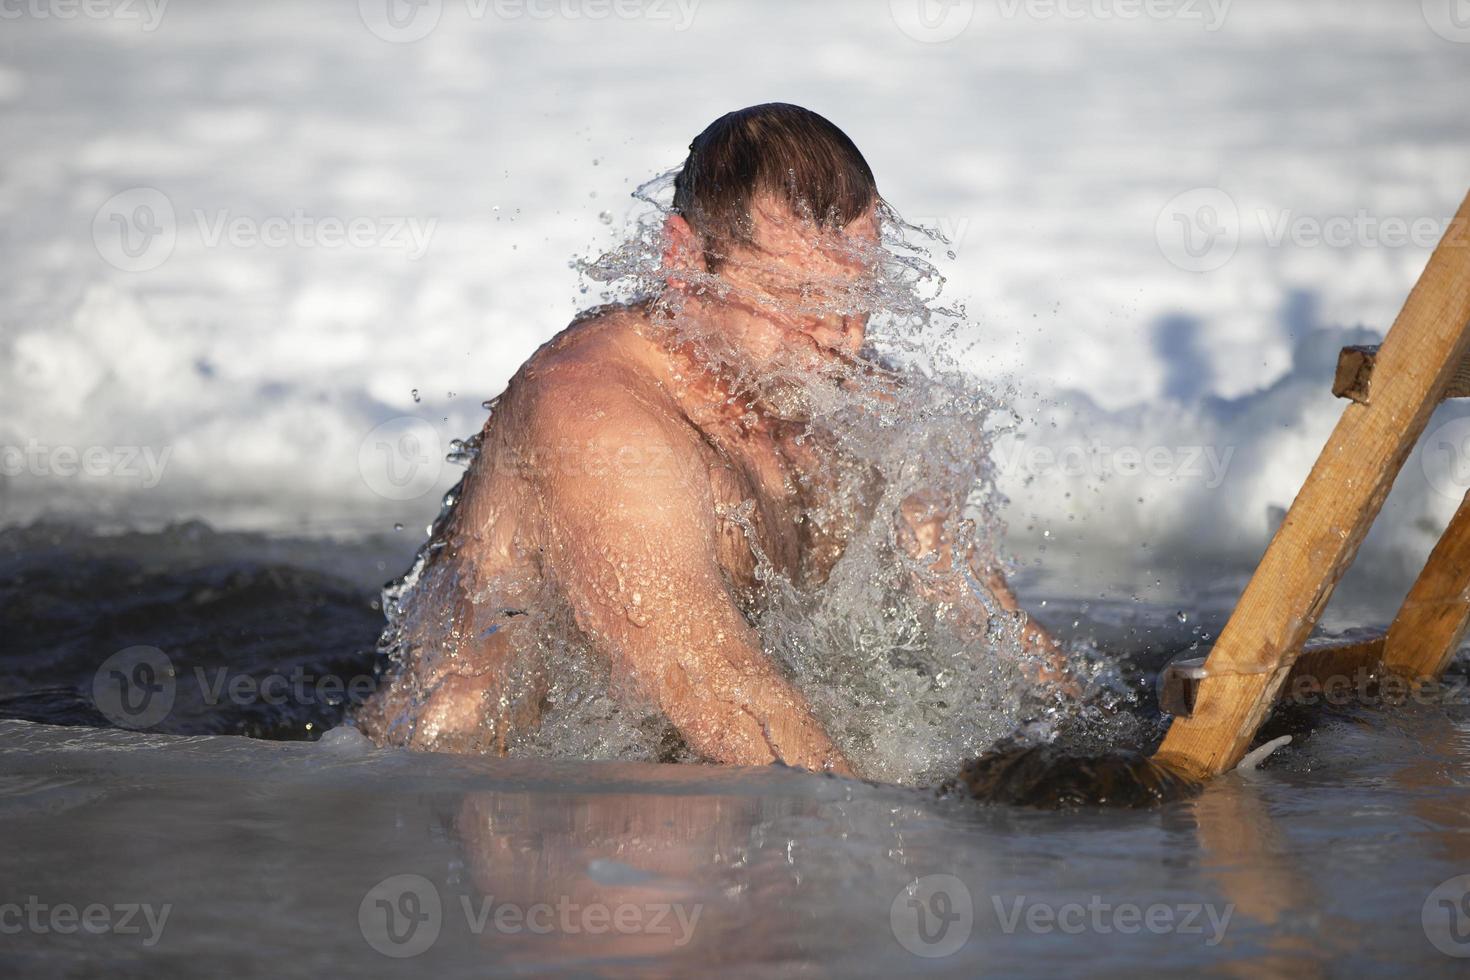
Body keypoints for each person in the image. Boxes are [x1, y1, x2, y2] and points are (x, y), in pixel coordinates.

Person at [357, 104, 1061, 775]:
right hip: (468, 793)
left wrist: (1108, 749)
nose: (837, 339)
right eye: (798, 300)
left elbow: (984, 620)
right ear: (685, 262)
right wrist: (888, 849)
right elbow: (725, 702)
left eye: (856, 299)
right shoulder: (597, 417)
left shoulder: (852, 399)